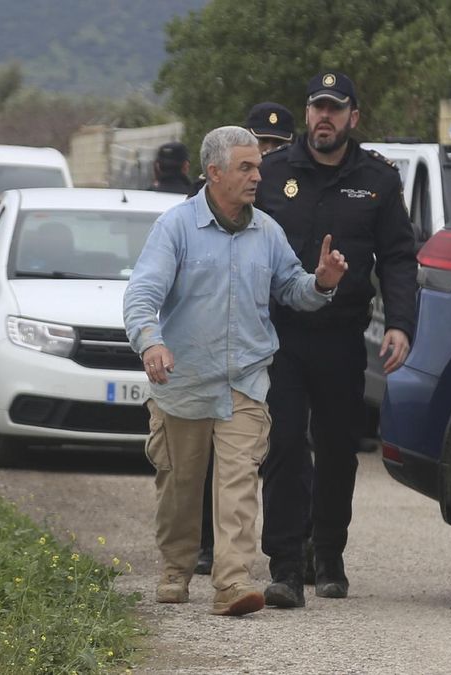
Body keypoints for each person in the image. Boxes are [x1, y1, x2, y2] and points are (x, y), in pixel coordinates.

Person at [124, 125, 347, 617]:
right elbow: (142, 293)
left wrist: (321, 283)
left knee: (239, 484)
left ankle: (232, 582)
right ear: (214, 172)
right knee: (180, 488)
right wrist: (151, 342)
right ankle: (176, 568)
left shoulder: (266, 231)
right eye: (246, 167)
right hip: (182, 382)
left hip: (245, 382)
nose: (257, 176)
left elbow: (292, 288)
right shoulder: (175, 227)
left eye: (258, 167)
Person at [255, 71, 417, 608]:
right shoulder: (273, 172)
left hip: (343, 336)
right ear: (307, 114)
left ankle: (327, 555)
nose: (324, 117)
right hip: (282, 336)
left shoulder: (377, 179)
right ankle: (284, 565)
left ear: (353, 117)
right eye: (317, 107)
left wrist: (400, 323)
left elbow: (398, 256)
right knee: (283, 446)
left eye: (335, 108)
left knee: (338, 450)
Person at [192, 100, 298, 575]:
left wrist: (321, 284)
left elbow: (293, 276)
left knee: (262, 455)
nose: (267, 158)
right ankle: (204, 546)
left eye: (276, 146)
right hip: (212, 352)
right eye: (260, 145)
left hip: (274, 341)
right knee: (205, 459)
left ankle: (263, 556)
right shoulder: (197, 210)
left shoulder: (284, 198)